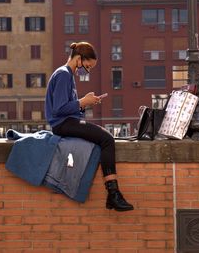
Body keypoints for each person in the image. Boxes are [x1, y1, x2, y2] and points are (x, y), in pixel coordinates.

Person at [45, 42, 134, 211]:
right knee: (107, 139)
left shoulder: (66, 75)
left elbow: (66, 106)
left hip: (65, 123)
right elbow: (58, 109)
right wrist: (83, 102)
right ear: (79, 59)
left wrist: (84, 103)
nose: (86, 71)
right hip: (62, 124)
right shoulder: (64, 74)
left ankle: (113, 195)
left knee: (105, 137)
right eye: (87, 66)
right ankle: (113, 194)